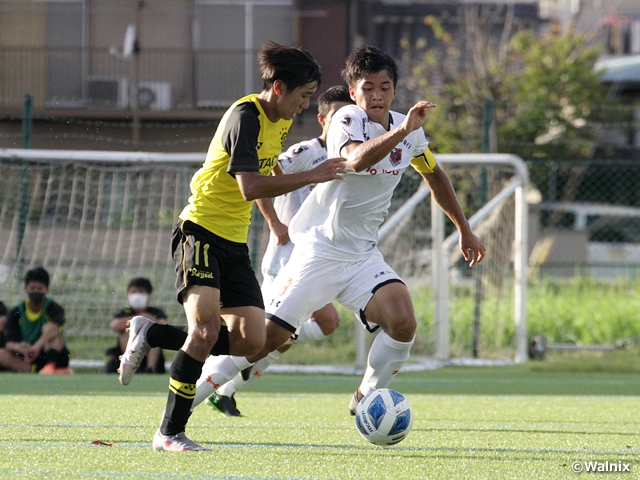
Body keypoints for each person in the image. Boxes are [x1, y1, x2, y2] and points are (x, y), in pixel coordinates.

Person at [190, 45, 486, 416]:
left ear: (395, 90)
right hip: (318, 250)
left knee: (403, 320)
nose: (376, 95)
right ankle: (185, 405)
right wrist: (402, 131)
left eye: (384, 87)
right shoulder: (348, 119)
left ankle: (365, 397)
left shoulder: (409, 130)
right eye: (368, 88)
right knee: (264, 342)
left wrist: (465, 229)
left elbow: (434, 175)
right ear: (352, 92)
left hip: (361, 255)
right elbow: (357, 159)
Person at [117, 41, 346, 452]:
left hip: (234, 243)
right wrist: (314, 175)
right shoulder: (246, 116)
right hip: (200, 231)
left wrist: (276, 221)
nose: (305, 105)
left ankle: (150, 331)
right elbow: (249, 185)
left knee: (251, 341)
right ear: (279, 87)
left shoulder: (279, 120)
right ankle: (169, 433)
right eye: (303, 95)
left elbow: (267, 166)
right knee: (204, 331)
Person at [205, 85, 354, 417]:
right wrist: (274, 223)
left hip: (317, 254)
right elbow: (261, 170)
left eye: (351, 117)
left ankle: (224, 387)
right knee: (268, 333)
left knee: (311, 328)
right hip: (288, 254)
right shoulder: (305, 152)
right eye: (340, 117)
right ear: (322, 120)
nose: (347, 123)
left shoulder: (352, 156)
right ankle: (212, 377)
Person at [2, 267, 72, 374]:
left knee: (50, 329)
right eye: (33, 288)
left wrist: (37, 347)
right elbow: (8, 342)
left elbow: (54, 328)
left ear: (47, 289)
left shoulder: (54, 308)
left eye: (40, 289)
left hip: (49, 352)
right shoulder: (17, 312)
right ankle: (36, 370)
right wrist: (20, 348)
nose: (36, 292)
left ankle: (51, 365)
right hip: (26, 356)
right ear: (26, 288)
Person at [104, 277, 167, 374]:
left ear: (149, 295)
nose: (137, 295)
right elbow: (115, 325)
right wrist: (138, 318)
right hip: (125, 353)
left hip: (149, 352)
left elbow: (163, 326)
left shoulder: (156, 312)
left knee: (156, 335)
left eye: (141, 291)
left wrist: (147, 318)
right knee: (124, 332)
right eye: (133, 292)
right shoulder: (125, 313)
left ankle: (150, 369)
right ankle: (131, 365)